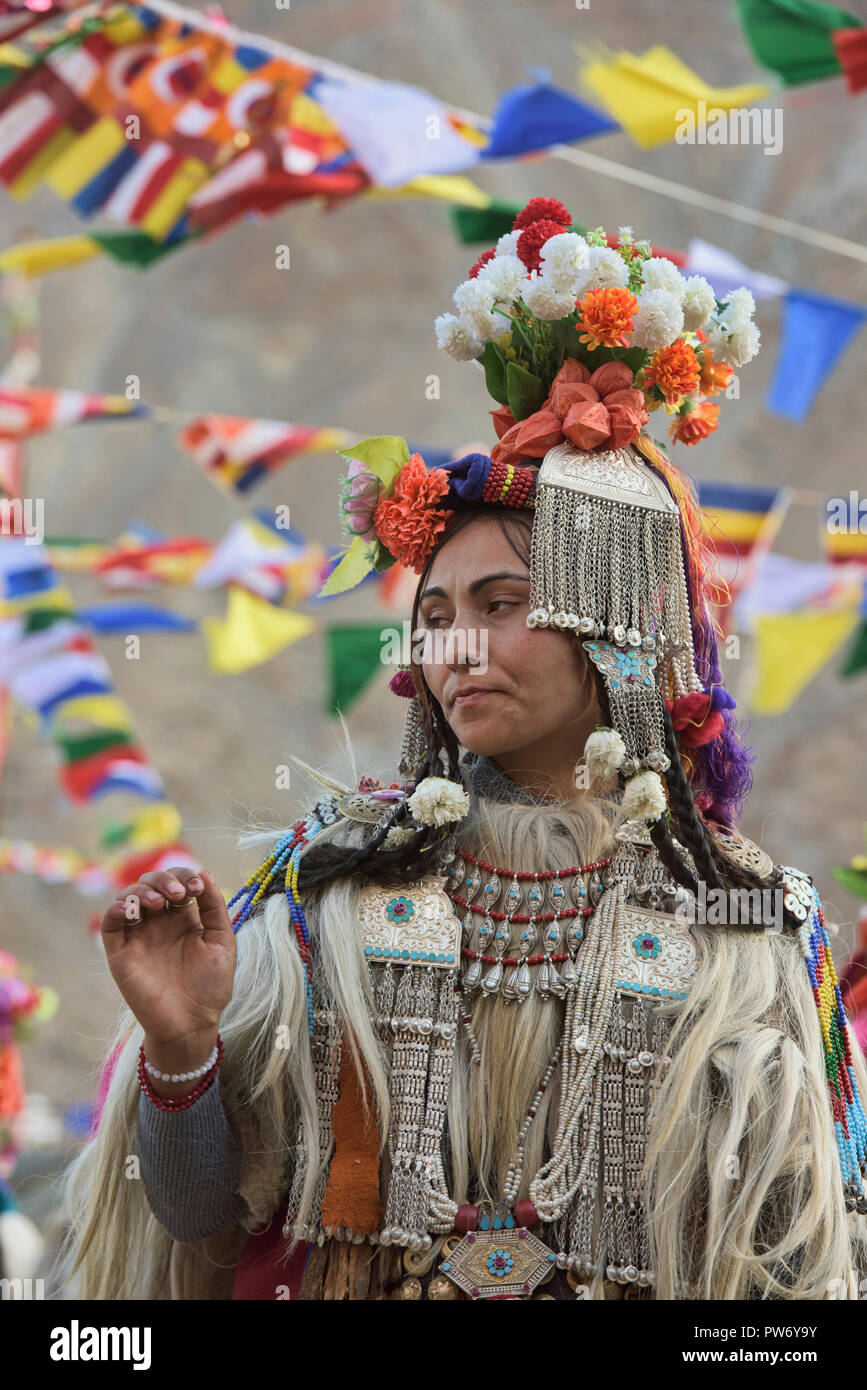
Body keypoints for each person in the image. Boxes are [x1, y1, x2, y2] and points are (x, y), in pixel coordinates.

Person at [61, 200, 867, 1301]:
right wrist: (183, 1050)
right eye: (434, 615)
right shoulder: (325, 896)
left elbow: (808, 1268)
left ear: (615, 621)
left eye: (501, 602)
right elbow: (202, 1219)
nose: (456, 647)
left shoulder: (748, 931)